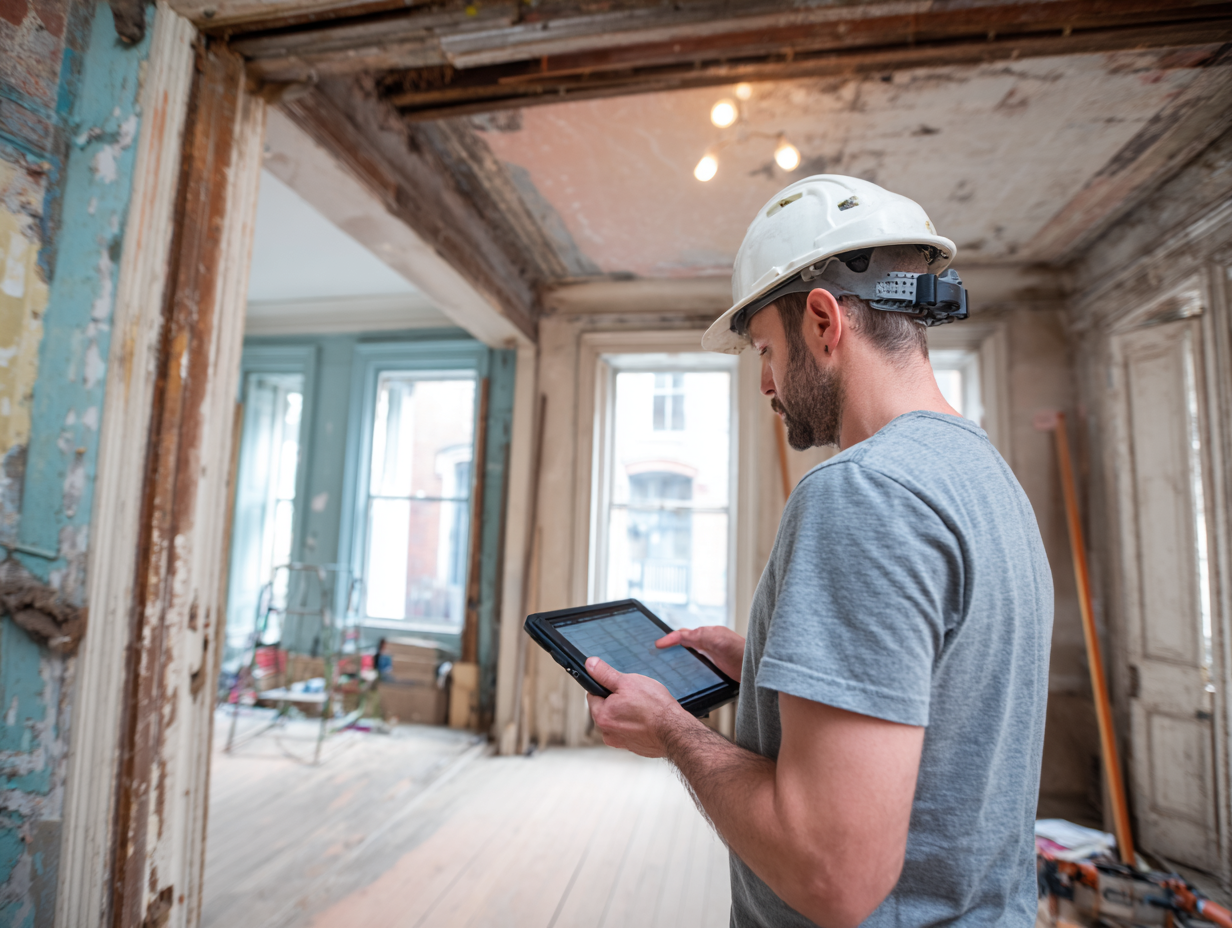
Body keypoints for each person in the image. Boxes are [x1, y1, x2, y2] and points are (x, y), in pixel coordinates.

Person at [584, 175, 1053, 927]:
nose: (767, 383)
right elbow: (942, 695)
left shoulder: (863, 493)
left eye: (766, 350)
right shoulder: (985, 475)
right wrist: (774, 665)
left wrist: (675, 730)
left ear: (825, 322)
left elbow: (831, 871)